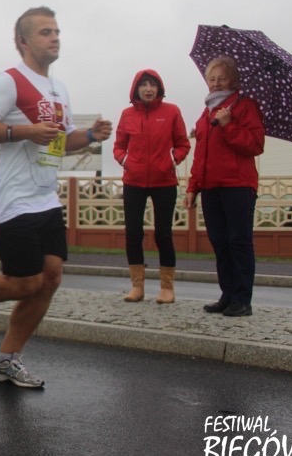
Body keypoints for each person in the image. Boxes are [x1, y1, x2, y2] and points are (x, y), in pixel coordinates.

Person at [0, 6, 112, 388]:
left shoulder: (59, 89)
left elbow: (60, 142)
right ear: (23, 41)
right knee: (26, 281)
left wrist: (91, 135)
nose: (55, 37)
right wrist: (23, 131)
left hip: (45, 197)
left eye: (56, 31)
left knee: (51, 277)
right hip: (12, 198)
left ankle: (6, 360)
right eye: (45, 32)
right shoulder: (8, 81)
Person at [184, 56, 264, 318]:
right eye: (212, 78)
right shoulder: (206, 114)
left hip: (238, 185)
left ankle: (242, 299)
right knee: (219, 242)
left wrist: (230, 125)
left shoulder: (245, 106)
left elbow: (255, 145)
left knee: (238, 241)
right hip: (210, 187)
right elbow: (200, 155)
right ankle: (227, 295)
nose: (216, 83)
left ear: (233, 81)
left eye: (222, 78)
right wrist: (193, 187)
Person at [113, 69, 190, 303]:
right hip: (133, 181)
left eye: (153, 85)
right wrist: (126, 161)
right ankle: (137, 287)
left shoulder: (171, 111)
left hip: (164, 181)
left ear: (159, 89)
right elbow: (119, 146)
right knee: (133, 232)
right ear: (136, 89)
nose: (148, 89)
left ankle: (167, 288)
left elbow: (183, 144)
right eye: (144, 84)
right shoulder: (127, 114)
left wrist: (172, 160)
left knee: (163, 233)